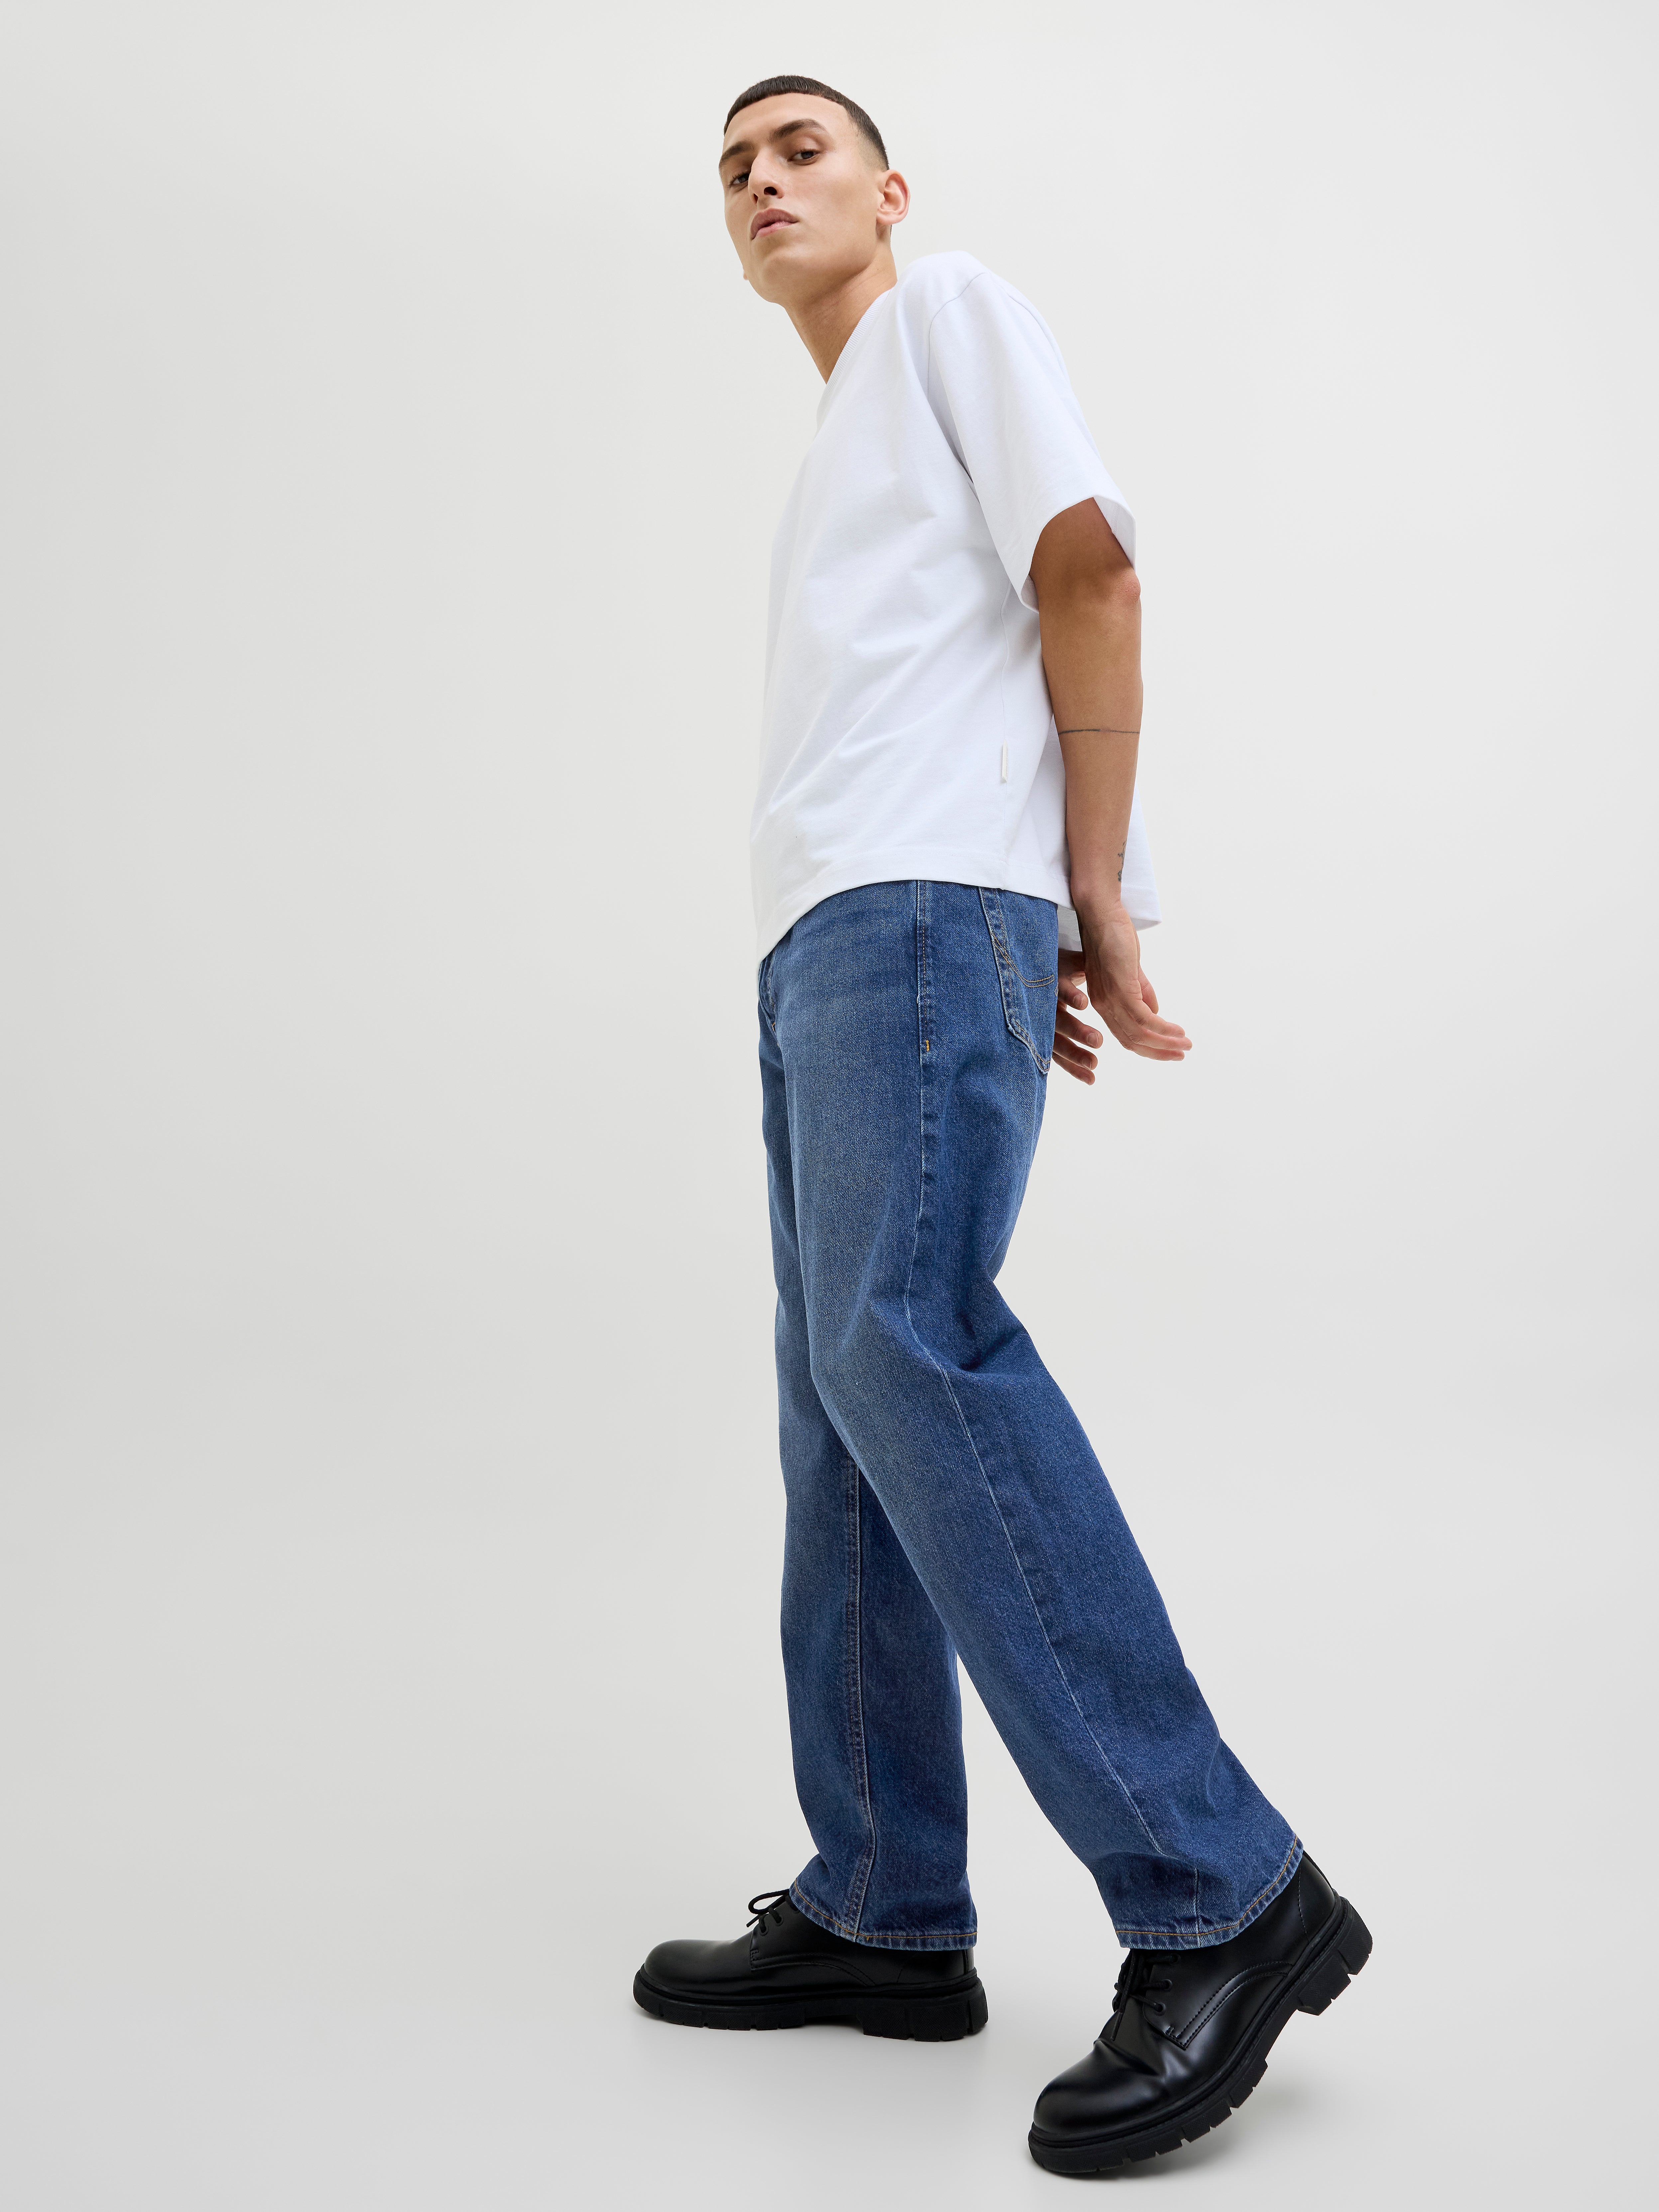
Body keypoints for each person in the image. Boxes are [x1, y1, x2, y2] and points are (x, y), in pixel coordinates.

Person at [632, 75, 1370, 2174]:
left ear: (887, 187)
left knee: (905, 1350)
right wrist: (1001, 891)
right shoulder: (844, 433)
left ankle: (1217, 1887)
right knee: (842, 1408)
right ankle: (886, 1901)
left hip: (908, 915)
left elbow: (1093, 570)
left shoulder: (946, 310)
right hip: (839, 929)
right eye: (733, 167)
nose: (763, 181)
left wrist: (1086, 889)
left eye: (800, 149)